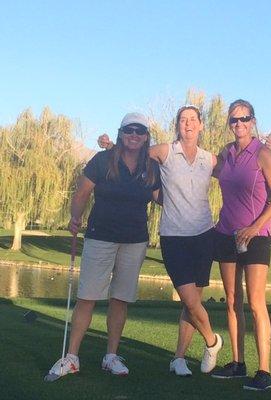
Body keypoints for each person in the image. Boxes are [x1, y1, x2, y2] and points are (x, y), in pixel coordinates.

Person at [98, 105, 223, 377]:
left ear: (201, 125)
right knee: (190, 299)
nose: (188, 124)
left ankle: (179, 358)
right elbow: (136, 152)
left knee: (193, 302)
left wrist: (263, 148)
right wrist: (111, 147)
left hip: (203, 234)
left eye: (193, 120)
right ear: (177, 125)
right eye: (183, 120)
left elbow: (237, 170)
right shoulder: (165, 151)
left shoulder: (209, 159)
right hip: (173, 235)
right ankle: (213, 341)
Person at [46, 112, 161, 378]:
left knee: (120, 299)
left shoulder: (151, 167)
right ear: (121, 133)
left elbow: (161, 197)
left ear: (146, 136)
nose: (134, 135)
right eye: (129, 130)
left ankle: (111, 356)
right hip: (100, 236)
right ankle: (72, 357)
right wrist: (75, 216)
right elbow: (82, 192)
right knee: (87, 296)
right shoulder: (103, 160)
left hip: (135, 240)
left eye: (140, 131)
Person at [211, 99, 271, 391]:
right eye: (233, 120)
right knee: (231, 300)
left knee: (256, 302)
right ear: (229, 124)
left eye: (244, 118)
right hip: (226, 233)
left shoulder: (263, 153)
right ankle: (238, 363)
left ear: (253, 120)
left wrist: (255, 227)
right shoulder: (226, 154)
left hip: (256, 237)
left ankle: (264, 371)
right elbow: (199, 165)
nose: (239, 123)